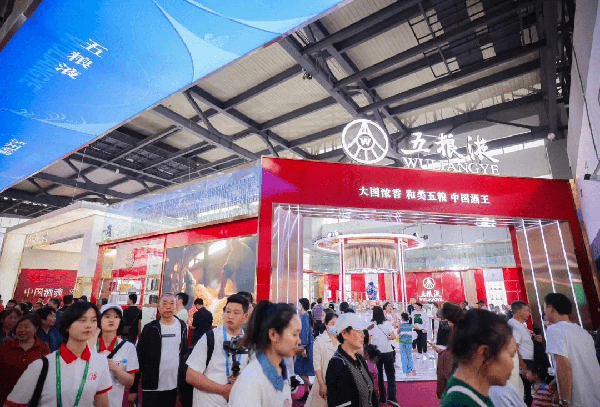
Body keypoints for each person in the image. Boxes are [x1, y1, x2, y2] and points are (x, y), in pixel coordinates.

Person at [6, 302, 112, 407]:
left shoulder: (100, 361)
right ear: (67, 326)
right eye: (82, 320)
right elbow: (13, 404)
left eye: (93, 320)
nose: (89, 325)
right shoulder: (41, 366)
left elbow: (102, 403)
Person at [440, 309, 517, 407]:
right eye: (511, 355)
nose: (513, 365)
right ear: (484, 353)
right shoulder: (461, 403)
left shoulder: (468, 395)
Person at [229, 301, 300, 407]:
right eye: (294, 334)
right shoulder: (251, 381)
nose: (299, 340)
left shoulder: (283, 373)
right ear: (273, 334)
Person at [185, 294, 249, 407]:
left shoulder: (250, 343)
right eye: (228, 311)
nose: (230, 316)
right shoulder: (210, 338)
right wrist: (223, 390)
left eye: (236, 313)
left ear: (245, 317)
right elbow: (191, 376)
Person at [544, 293, 600, 407]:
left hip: (578, 399)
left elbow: (563, 366)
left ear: (550, 308)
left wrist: (565, 401)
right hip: (595, 394)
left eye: (544, 307)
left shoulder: (554, 330)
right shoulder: (583, 332)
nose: (544, 311)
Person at [137, 294, 188, 407]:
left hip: (173, 386)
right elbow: (140, 356)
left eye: (172, 303)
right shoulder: (150, 328)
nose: (168, 307)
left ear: (176, 307)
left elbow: (183, 354)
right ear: (158, 307)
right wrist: (134, 387)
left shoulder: (182, 326)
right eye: (164, 304)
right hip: (151, 386)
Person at [326, 312, 378, 407]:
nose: (363, 335)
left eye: (363, 331)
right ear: (344, 334)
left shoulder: (360, 359)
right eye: (358, 331)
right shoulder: (337, 364)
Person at [92, 303, 139, 407]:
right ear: (99, 320)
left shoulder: (128, 347)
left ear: (120, 321)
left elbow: (130, 382)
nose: (112, 320)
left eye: (116, 317)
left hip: (114, 402)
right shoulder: (90, 345)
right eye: (107, 316)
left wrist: (115, 369)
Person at [0, 314, 50, 405]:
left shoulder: (43, 347)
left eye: (26, 327)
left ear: (36, 329)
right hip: (6, 398)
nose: (22, 330)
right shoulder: (6, 347)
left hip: (32, 399)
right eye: (19, 327)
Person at [305, 312, 338, 407]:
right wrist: (322, 385)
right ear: (326, 324)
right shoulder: (319, 341)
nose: (335, 327)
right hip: (323, 382)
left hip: (338, 382)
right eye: (332, 324)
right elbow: (317, 365)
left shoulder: (341, 341)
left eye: (337, 324)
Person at [369, 306, 398, 406]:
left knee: (379, 375)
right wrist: (387, 338)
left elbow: (369, 340)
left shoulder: (371, 325)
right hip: (388, 351)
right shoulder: (387, 323)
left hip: (377, 352)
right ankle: (392, 397)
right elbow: (393, 336)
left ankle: (382, 398)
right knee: (390, 375)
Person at [433, 302, 463, 399]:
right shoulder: (463, 330)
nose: (448, 324)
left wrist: (442, 353)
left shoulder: (459, 333)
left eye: (449, 321)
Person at [508, 301, 535, 406]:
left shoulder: (520, 325)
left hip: (527, 362)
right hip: (523, 362)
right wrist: (523, 366)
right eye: (526, 311)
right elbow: (514, 347)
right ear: (517, 311)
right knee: (526, 393)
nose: (528, 313)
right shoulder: (514, 324)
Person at [295, 297, 315, 402]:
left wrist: (303, 348)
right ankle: (307, 393)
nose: (298, 305)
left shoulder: (305, 316)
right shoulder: (305, 316)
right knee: (304, 370)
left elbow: (305, 333)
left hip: (304, 347)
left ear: (302, 305)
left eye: (299, 304)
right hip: (305, 346)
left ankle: (311, 387)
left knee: (299, 369)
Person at [399, 312, 416, 377]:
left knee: (403, 355)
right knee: (409, 355)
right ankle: (411, 368)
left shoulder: (400, 325)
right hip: (409, 341)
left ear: (402, 318)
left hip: (402, 341)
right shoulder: (410, 325)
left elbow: (398, 332)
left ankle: (406, 371)